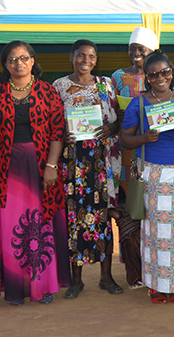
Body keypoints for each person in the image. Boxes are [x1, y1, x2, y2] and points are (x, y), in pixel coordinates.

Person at [0, 41, 70, 305]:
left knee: (41, 223)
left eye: (24, 58)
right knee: (11, 224)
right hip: (6, 169)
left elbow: (58, 132)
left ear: (33, 61)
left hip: (41, 166)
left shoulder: (48, 92)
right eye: (12, 59)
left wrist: (52, 166)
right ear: (6, 65)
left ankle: (43, 286)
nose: (18, 63)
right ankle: (15, 287)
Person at [121, 50, 174, 304]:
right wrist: (144, 138)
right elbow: (125, 139)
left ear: (172, 73)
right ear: (147, 77)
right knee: (156, 230)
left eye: (165, 72)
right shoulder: (139, 103)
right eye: (154, 73)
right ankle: (157, 285)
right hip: (153, 172)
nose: (160, 77)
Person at [53, 40, 123, 298]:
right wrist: (65, 135)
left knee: (103, 219)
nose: (86, 59)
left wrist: (111, 128)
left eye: (91, 56)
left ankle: (106, 277)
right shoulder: (59, 86)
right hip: (74, 162)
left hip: (101, 160)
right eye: (81, 55)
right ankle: (76, 281)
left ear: (96, 59)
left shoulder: (106, 84)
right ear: (71, 56)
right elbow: (54, 124)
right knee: (75, 220)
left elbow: (117, 117)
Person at [111, 26, 159, 289]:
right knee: (131, 210)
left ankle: (156, 267)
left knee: (154, 210)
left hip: (154, 149)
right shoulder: (117, 77)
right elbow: (110, 107)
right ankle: (134, 272)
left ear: (153, 52)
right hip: (127, 152)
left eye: (142, 50)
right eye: (133, 49)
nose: (137, 54)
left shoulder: (159, 77)